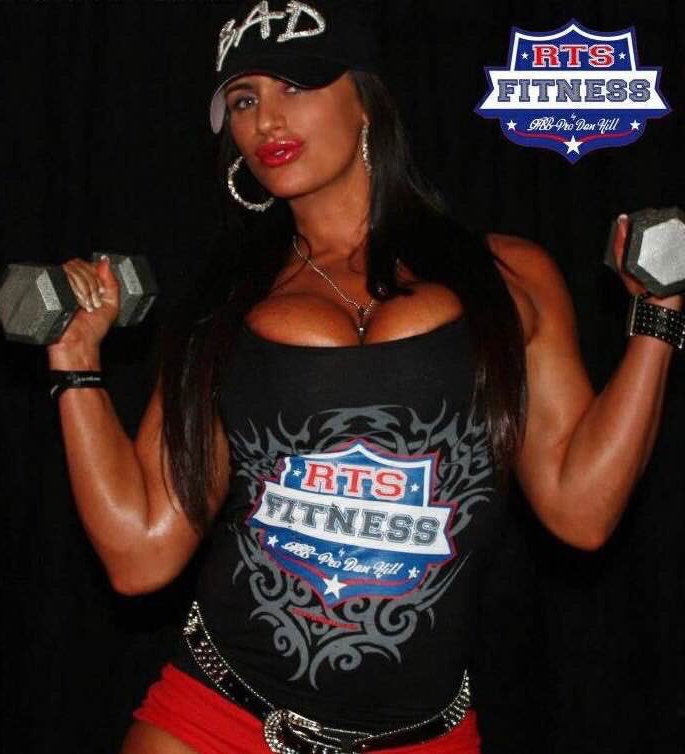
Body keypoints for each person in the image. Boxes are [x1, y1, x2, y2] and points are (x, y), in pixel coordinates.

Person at [46, 2, 684, 752]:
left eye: (297, 85)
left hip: (419, 737)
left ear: (367, 99)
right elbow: (140, 555)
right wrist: (74, 359)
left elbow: (583, 511)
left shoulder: (508, 276)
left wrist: (659, 316)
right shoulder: (222, 306)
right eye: (244, 100)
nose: (267, 120)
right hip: (218, 718)